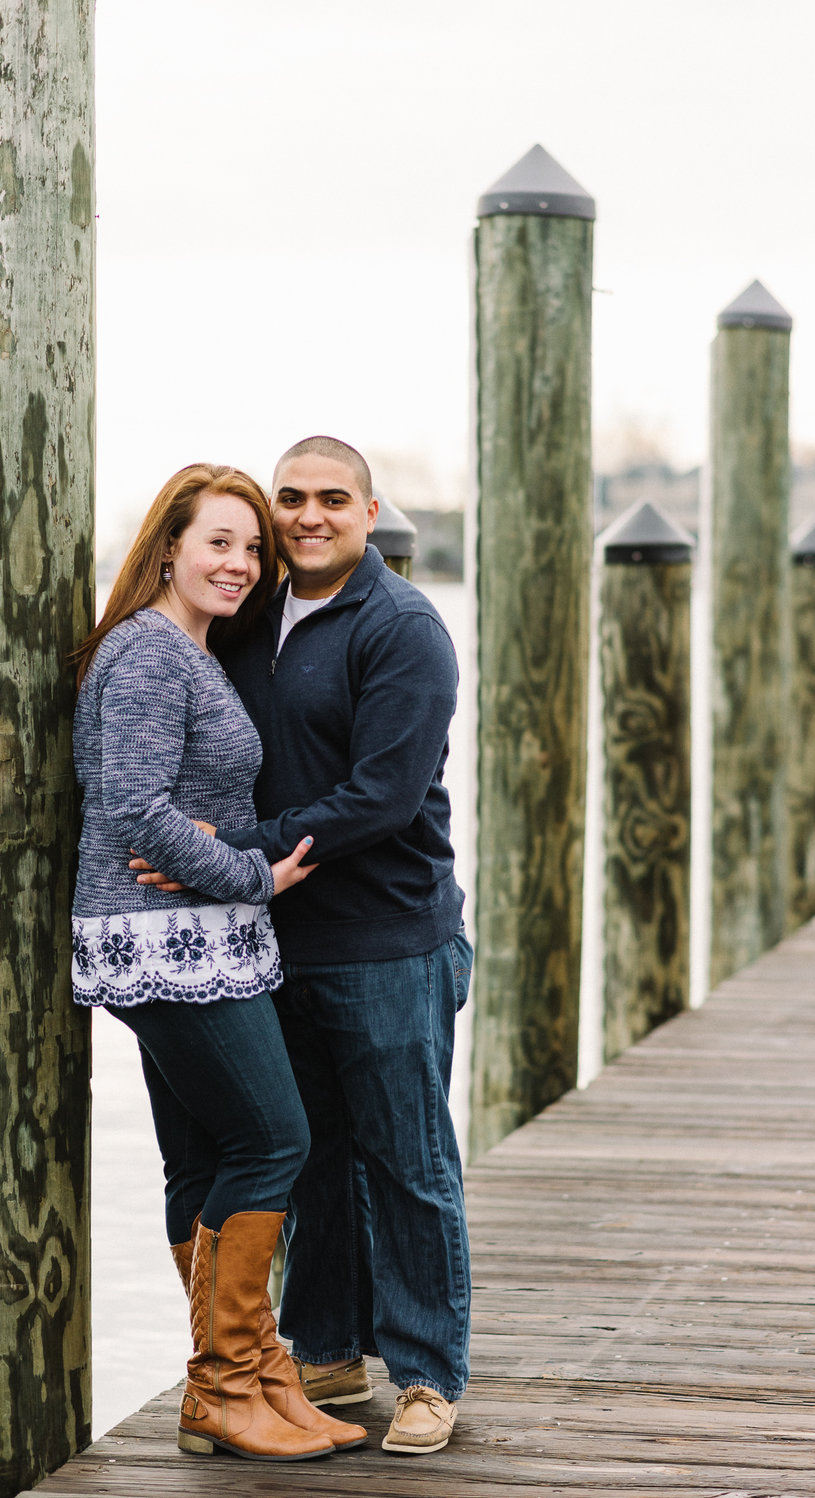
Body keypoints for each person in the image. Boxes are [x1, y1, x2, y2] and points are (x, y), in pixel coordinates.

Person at [138, 436, 472, 1455]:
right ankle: (324, 1346)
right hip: (270, 937)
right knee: (309, 1154)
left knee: (405, 1157)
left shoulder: (404, 629)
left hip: (387, 938)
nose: (310, 514)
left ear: (371, 514)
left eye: (334, 498)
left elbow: (380, 799)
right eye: (292, 498)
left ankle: (424, 1373)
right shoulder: (246, 621)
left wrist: (223, 849)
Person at [71, 463, 368, 1463]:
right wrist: (253, 873)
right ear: (168, 548)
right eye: (219, 543)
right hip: (167, 941)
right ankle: (224, 1382)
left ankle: (249, 1370)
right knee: (274, 1137)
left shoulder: (188, 650)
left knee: (204, 1158)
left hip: (193, 938)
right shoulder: (151, 655)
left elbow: (167, 802)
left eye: (253, 548)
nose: (241, 564)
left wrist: (229, 865)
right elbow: (138, 808)